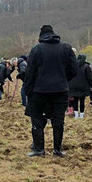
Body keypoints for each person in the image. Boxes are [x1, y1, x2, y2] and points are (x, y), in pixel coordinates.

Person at [21, 24, 77, 157]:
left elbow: (30, 73)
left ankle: (39, 149)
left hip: (39, 91)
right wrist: (63, 79)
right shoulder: (66, 48)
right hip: (60, 91)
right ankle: (57, 150)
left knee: (37, 120)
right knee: (58, 120)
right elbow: (74, 70)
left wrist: (29, 91)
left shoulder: (36, 50)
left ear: (41, 36)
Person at [68, 53, 92, 118]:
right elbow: (89, 77)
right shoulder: (86, 66)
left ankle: (76, 115)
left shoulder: (73, 65)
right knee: (82, 101)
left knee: (75, 100)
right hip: (83, 86)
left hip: (73, 86)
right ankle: (81, 115)